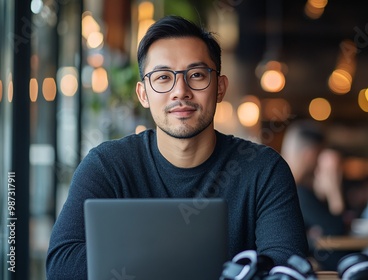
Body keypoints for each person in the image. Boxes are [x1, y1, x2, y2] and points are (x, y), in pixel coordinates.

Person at [46, 15, 307, 279]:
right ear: (143, 94)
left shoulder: (264, 170)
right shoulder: (107, 165)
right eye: (162, 77)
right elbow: (61, 264)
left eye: (196, 75)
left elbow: (286, 268)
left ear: (220, 88)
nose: (180, 91)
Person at [280, 120, 349, 271]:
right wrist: (333, 189)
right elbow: (338, 231)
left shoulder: (288, 185)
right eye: (320, 153)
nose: (321, 162)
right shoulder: (296, 191)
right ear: (309, 154)